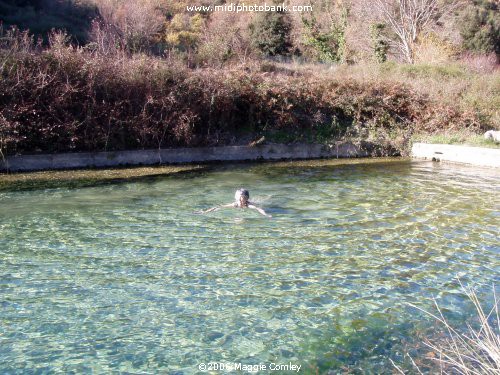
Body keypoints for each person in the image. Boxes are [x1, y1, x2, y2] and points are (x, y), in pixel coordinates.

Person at [199, 189, 272, 217]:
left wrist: (266, 214)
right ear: (237, 198)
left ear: (247, 198)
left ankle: (269, 196)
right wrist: (205, 212)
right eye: (240, 198)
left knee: (262, 200)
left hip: (253, 203)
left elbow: (258, 209)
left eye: (243, 198)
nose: (241, 199)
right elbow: (219, 207)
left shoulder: (249, 205)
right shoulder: (235, 204)